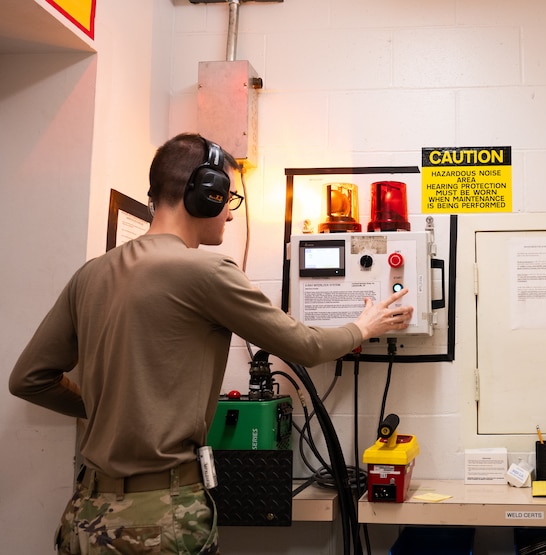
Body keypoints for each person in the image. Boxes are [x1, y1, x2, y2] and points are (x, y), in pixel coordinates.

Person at [8, 132, 414, 554]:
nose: (231, 215)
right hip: (158, 519)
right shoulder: (205, 271)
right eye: (230, 199)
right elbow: (306, 347)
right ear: (206, 193)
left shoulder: (90, 274)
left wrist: (98, 406)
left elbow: (29, 379)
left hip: (84, 514)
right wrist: (364, 326)